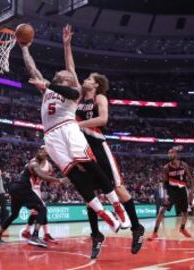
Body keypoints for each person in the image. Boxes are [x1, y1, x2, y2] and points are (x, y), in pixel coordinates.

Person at [20, 40, 131, 240]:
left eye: (63, 73)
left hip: (68, 129)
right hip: (51, 136)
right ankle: (106, 215)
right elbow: (32, 68)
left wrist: (46, 83)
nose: (60, 72)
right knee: (75, 177)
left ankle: (118, 208)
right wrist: (25, 48)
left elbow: (69, 88)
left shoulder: (76, 92)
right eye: (60, 73)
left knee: (90, 166)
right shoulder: (48, 89)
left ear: (70, 79)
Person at [62, 24, 144, 258]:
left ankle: (137, 228)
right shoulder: (78, 96)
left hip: (98, 144)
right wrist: (67, 44)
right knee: (89, 193)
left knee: (118, 188)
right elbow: (70, 68)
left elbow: (104, 119)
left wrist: (78, 125)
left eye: (89, 78)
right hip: (83, 148)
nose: (85, 79)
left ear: (96, 84)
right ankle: (96, 236)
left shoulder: (100, 97)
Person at [0, 157, 66, 248]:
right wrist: (58, 180)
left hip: (15, 188)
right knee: (42, 209)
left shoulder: (36, 164)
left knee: (14, 215)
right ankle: (34, 236)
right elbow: (43, 176)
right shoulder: (34, 164)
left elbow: (45, 178)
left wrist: (55, 178)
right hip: (24, 188)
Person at [148, 146, 194, 240]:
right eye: (168, 153)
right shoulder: (166, 168)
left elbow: (190, 177)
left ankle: (182, 228)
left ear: (176, 154)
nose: (170, 154)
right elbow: (165, 183)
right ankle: (155, 232)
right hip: (171, 191)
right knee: (161, 211)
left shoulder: (183, 165)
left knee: (185, 212)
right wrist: (166, 194)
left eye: (171, 152)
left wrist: (192, 189)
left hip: (182, 190)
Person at [21, 146, 57, 243]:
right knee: (42, 210)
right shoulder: (33, 161)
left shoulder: (49, 165)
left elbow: (49, 179)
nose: (42, 151)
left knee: (38, 211)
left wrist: (52, 182)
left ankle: (29, 231)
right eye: (41, 150)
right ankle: (41, 234)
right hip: (30, 188)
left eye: (44, 150)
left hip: (37, 189)